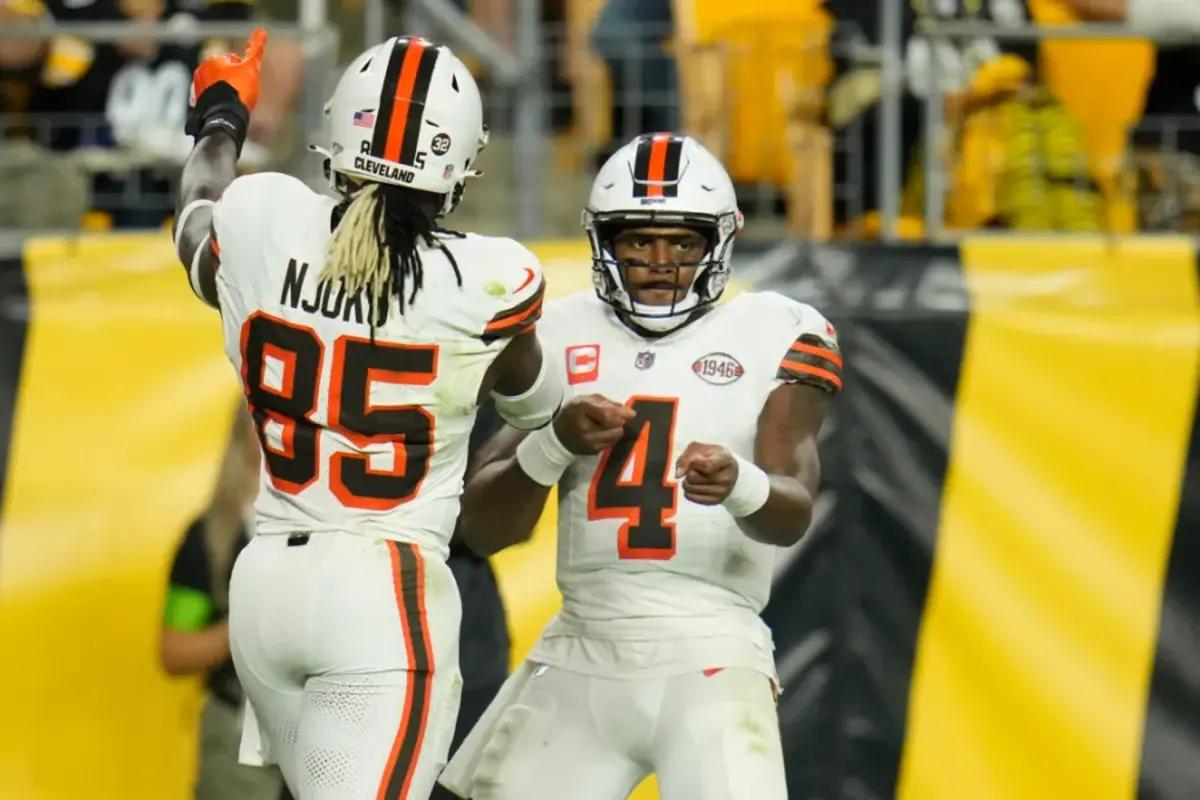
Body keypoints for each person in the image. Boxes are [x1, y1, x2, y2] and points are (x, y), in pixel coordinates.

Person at [172, 30, 563, 799]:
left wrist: (222, 113)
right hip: (381, 593)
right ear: (457, 166)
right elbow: (539, 400)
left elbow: (193, 215)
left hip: (265, 590)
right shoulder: (487, 279)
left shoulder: (263, 217)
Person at [439, 133, 842, 800]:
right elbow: (481, 529)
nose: (660, 262)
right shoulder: (558, 331)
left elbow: (792, 511)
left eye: (682, 243)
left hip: (712, 650)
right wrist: (554, 442)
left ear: (719, 242)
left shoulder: (779, 330)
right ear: (604, 242)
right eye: (638, 241)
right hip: (584, 644)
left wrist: (739, 483)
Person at [160, 407, 292, 800]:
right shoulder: (208, 539)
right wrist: (245, 624)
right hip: (237, 741)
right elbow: (174, 649)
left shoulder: (325, 530)